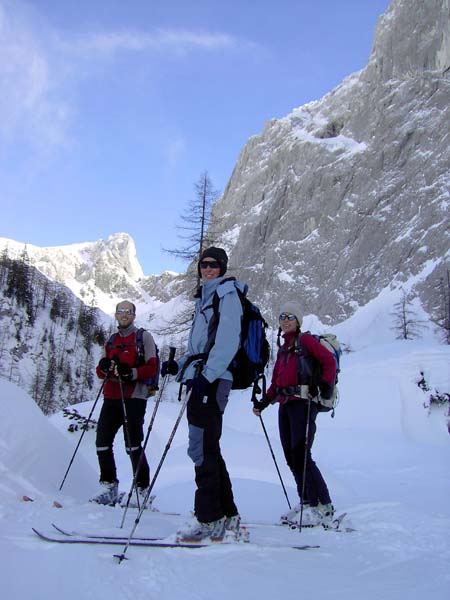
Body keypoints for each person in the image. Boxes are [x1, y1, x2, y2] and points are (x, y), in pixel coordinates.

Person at [161, 247, 244, 542]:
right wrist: (179, 365)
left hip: (213, 380)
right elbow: (199, 349)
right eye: (203, 265)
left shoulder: (227, 295)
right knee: (209, 447)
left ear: (222, 267)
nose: (207, 269)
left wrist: (207, 377)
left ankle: (209, 518)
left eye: (213, 264)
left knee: (201, 448)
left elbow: (227, 341)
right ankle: (227, 513)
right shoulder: (206, 298)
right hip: (203, 377)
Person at [253, 300, 336, 527]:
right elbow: (276, 381)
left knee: (301, 454)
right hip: (285, 404)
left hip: (303, 403)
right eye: (282, 317)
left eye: (290, 316)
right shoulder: (283, 348)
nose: (285, 320)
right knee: (291, 456)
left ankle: (323, 505)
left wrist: (324, 385)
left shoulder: (306, 341)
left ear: (298, 320)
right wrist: (265, 401)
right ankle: (307, 501)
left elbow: (329, 361)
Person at [90, 300, 158, 507]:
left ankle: (141, 489)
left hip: (134, 397)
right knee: (102, 442)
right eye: (121, 311)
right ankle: (109, 486)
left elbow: (152, 367)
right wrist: (103, 367)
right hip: (111, 396)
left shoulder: (143, 337)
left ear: (134, 315)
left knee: (133, 444)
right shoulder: (111, 340)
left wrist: (133, 373)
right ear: (116, 315)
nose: (124, 315)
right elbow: (101, 373)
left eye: (128, 312)